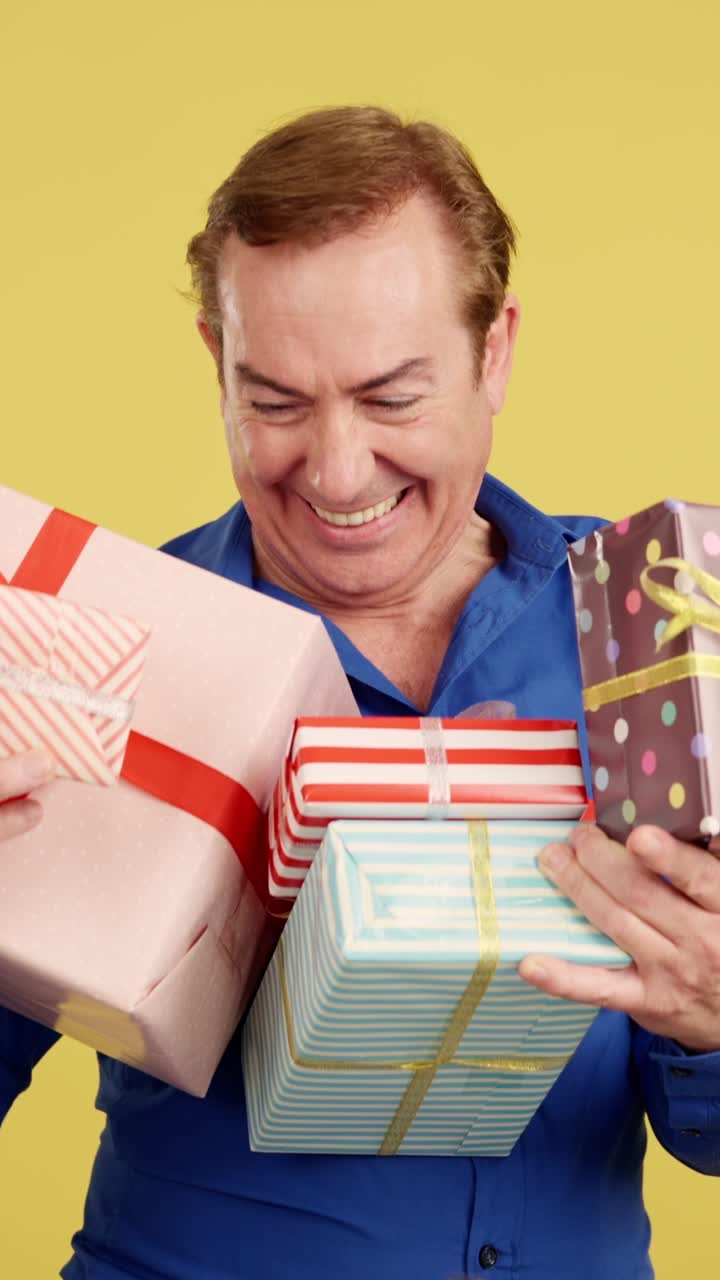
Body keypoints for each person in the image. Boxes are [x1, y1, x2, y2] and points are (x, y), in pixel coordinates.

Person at [1, 106, 719, 1280]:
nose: (335, 471)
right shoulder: (104, 648)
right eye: (274, 401)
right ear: (215, 364)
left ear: (496, 352)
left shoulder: (651, 637)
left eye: (392, 398)